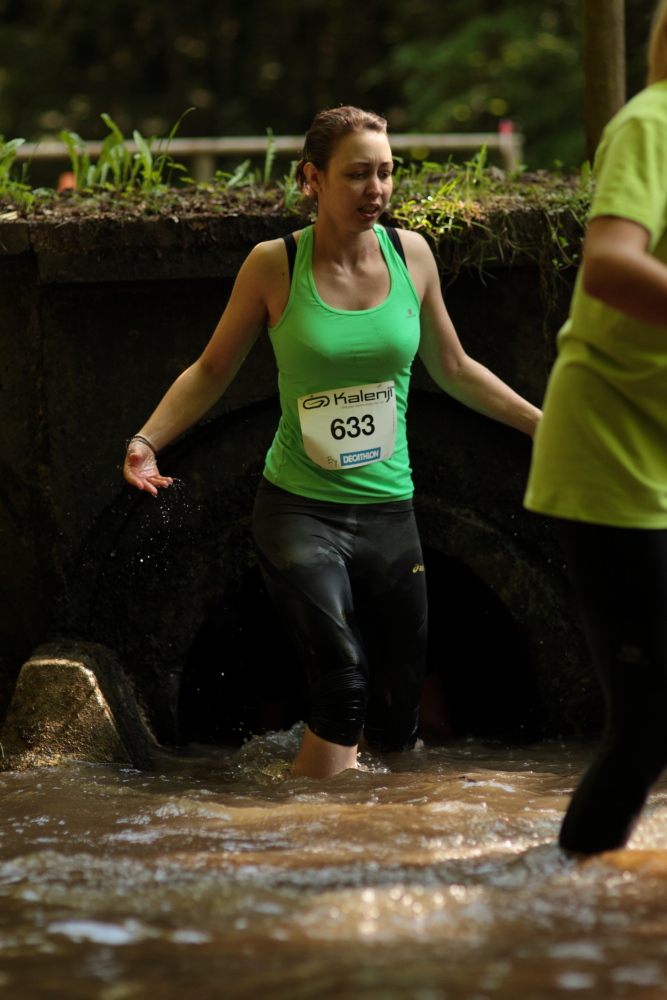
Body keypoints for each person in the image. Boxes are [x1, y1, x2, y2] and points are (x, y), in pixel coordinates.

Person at [124, 106, 541, 779]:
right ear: (312, 178)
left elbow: (456, 368)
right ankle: (302, 833)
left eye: (386, 173)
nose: (376, 189)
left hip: (389, 513)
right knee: (343, 686)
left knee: (398, 724)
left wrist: (541, 425)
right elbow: (210, 370)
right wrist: (147, 439)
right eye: (356, 174)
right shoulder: (274, 265)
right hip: (298, 510)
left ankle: (378, 831)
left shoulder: (412, 256)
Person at [525, 0, 667, 854]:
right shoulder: (652, 123)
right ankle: (563, 905)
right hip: (611, 457)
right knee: (649, 726)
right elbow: (611, 265)